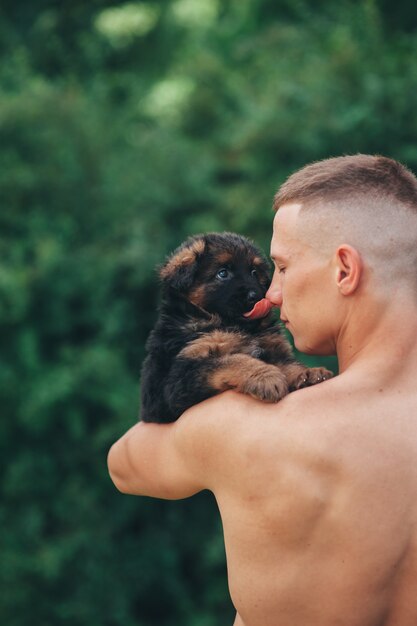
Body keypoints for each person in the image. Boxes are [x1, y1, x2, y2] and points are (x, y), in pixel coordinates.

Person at [108, 154, 417, 626]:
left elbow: (123, 463)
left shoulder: (240, 428)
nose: (269, 294)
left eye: (282, 268)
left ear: (344, 270)